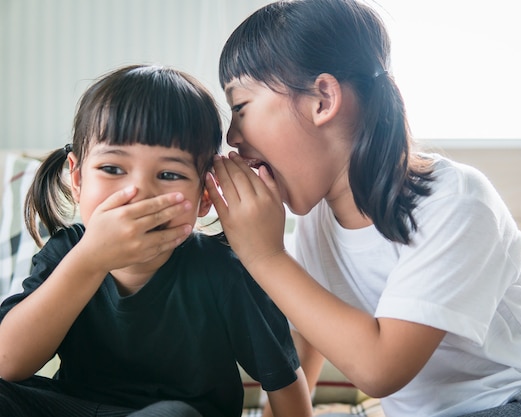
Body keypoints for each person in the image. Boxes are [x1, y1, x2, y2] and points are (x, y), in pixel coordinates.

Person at [206, 1, 521, 416]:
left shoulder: (455, 200)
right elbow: (306, 337)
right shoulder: (316, 220)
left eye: (241, 108)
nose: (233, 136)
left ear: (322, 99)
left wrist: (264, 255)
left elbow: (379, 367)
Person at [0, 64, 312, 417]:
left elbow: (283, 380)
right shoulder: (67, 252)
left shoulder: (222, 271)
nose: (139, 193)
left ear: (205, 196)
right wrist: (89, 260)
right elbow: (8, 363)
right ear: (77, 178)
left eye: (168, 174)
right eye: (112, 169)